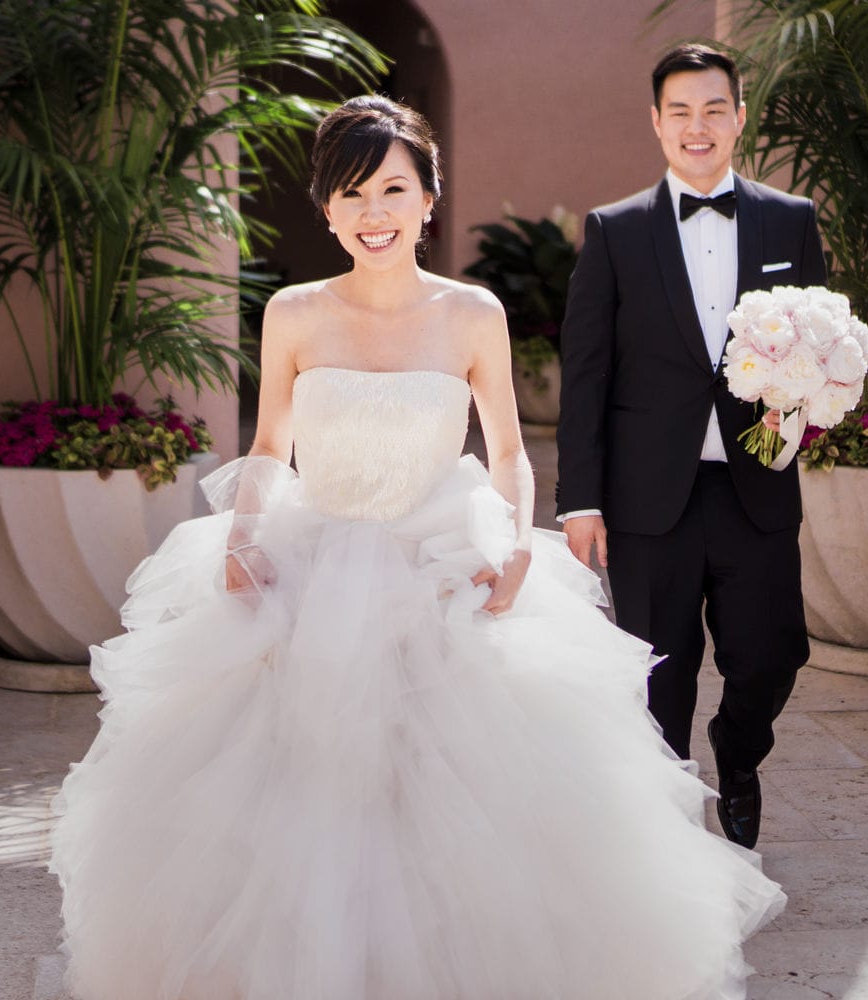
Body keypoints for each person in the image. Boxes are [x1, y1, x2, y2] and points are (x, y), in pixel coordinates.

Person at [50, 95, 784, 1000]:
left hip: (440, 564)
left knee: (458, 782)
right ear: (326, 208)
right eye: (352, 194)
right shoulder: (293, 312)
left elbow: (508, 452)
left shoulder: (473, 314)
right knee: (297, 786)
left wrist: (515, 544)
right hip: (313, 561)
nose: (375, 213)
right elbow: (269, 445)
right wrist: (242, 537)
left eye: (394, 189)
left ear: (429, 198)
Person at [557, 44, 828, 850]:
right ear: (656, 123)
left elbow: (820, 348)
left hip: (756, 488)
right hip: (647, 498)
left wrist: (807, 409)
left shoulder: (790, 220)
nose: (697, 126)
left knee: (771, 656)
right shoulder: (613, 231)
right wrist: (580, 500)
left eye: (714, 109)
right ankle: (669, 827)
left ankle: (737, 759)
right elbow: (586, 375)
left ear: (739, 117)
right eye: (680, 111)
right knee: (658, 677)